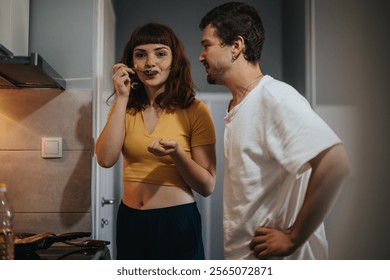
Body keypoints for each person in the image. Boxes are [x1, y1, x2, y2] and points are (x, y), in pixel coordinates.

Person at [198, 2, 351, 260]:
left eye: (206, 45)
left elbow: (336, 164)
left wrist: (293, 237)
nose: (201, 56)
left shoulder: (274, 98)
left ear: (236, 46)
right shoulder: (240, 105)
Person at [96, 22, 216, 260]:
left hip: (177, 222)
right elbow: (105, 159)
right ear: (131, 64)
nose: (150, 63)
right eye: (140, 55)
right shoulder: (124, 108)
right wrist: (121, 97)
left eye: (160, 54)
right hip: (130, 221)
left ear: (175, 60)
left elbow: (207, 186)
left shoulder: (195, 110)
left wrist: (177, 154)